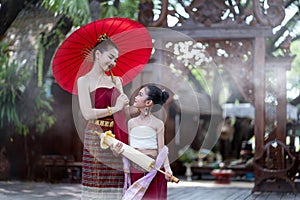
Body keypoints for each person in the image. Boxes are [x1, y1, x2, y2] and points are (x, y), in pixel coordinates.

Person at [77, 35, 135, 199]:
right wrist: (114, 108)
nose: (113, 63)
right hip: (95, 135)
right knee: (96, 181)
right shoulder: (84, 81)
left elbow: (124, 111)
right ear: (97, 54)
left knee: (115, 181)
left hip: (116, 135)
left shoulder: (116, 80)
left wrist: (142, 107)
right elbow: (87, 113)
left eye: (115, 59)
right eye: (110, 57)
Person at [124, 84, 173, 199]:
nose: (135, 97)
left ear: (148, 102)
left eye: (140, 95)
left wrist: (167, 168)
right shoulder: (131, 123)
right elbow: (130, 147)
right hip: (136, 167)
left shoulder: (158, 124)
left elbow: (162, 149)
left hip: (153, 167)